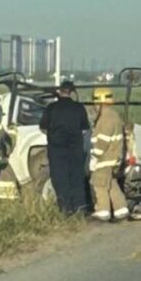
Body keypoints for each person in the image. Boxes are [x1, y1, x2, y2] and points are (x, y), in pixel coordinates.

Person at [39, 81, 90, 214]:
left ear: (59, 92)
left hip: (57, 149)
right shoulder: (79, 108)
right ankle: (80, 209)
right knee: (77, 178)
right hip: (75, 149)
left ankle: (65, 209)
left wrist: (54, 136)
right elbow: (85, 129)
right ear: (72, 92)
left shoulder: (51, 108)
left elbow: (43, 128)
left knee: (60, 179)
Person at [88, 88, 128, 221]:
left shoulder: (105, 119)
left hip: (105, 159)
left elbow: (102, 141)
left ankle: (102, 210)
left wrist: (94, 157)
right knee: (111, 184)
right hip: (114, 158)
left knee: (99, 184)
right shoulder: (114, 115)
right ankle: (121, 208)